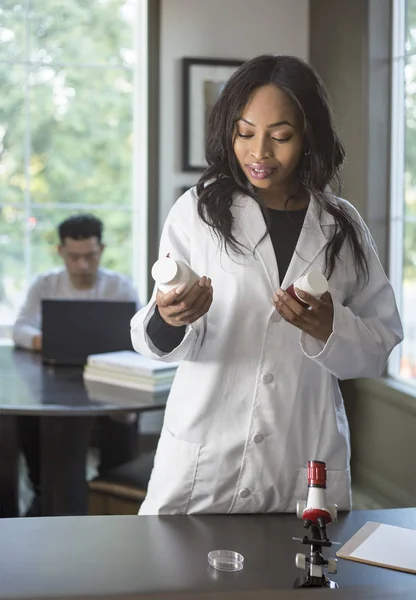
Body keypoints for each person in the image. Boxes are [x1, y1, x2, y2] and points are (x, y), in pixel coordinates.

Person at [131, 55, 403, 515]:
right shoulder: (198, 211)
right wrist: (169, 317)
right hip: (205, 460)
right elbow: (159, 330)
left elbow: (380, 346)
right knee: (178, 583)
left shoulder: (343, 226)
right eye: (245, 133)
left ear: (308, 136)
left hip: (300, 460)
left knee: (297, 580)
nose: (259, 153)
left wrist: (329, 327)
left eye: (280, 137)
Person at [13, 213, 141, 516]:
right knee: (29, 420)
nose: (82, 265)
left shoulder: (120, 288)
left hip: (109, 383)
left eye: (90, 256)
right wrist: (48, 341)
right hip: (54, 383)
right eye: (74, 257)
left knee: (123, 418)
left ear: (102, 250)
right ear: (61, 252)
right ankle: (45, 494)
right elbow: (20, 329)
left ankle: (112, 492)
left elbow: (138, 336)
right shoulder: (45, 285)